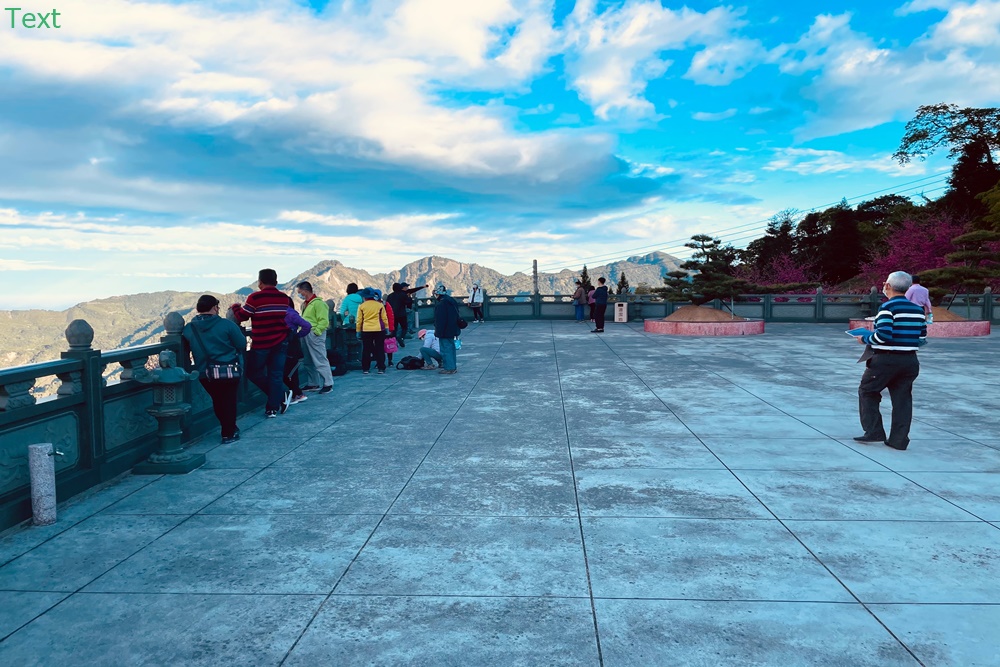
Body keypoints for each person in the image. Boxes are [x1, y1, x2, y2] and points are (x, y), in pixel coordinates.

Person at [853, 271, 927, 451]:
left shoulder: (887, 308)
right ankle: (899, 440)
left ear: (887, 286)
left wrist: (866, 338)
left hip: (886, 360)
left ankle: (874, 431)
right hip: (910, 360)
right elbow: (922, 336)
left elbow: (883, 336)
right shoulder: (917, 310)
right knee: (902, 400)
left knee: (868, 391)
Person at [231, 269, 294, 418]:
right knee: (276, 375)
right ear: (276, 282)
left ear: (260, 282)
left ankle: (279, 397)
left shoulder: (255, 298)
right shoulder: (284, 298)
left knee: (253, 372)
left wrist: (235, 307)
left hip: (261, 343)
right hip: (281, 341)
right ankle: (273, 407)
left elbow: (241, 316)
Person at [183, 295, 246, 444]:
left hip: (206, 372)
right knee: (229, 400)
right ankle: (228, 433)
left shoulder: (189, 328)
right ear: (214, 308)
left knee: (218, 400)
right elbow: (242, 344)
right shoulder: (227, 325)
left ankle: (229, 428)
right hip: (229, 369)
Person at [296, 281, 334, 394]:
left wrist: (316, 332)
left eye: (299, 291)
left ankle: (328, 383)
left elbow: (324, 320)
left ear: (305, 290)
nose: (299, 294)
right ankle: (313, 383)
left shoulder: (319, 304)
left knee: (319, 358)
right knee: (308, 360)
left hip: (314, 333)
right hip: (305, 333)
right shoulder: (305, 304)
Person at [281, 306, 312, 412]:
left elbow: (307, 326)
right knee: (292, 371)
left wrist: (297, 335)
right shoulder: (291, 313)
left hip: (289, 346)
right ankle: (297, 394)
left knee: (285, 372)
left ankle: (296, 393)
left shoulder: (289, 314)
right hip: (292, 345)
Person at [356, 287, 389, 375]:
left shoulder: (362, 306)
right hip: (379, 329)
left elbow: (359, 320)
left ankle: (366, 368)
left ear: (364, 297)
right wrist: (387, 328)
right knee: (380, 348)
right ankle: (381, 368)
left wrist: (358, 331)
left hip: (366, 329)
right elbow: (384, 318)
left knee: (366, 349)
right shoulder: (379, 305)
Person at [432, 283, 461, 374]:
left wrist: (438, 332)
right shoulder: (451, 301)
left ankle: (449, 368)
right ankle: (452, 366)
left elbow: (440, 320)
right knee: (451, 348)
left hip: (445, 330)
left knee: (445, 349)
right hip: (453, 329)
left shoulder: (441, 304)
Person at [375, 289, 397, 366]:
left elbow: (390, 317)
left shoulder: (385, 304)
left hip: (380, 328)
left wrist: (390, 328)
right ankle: (383, 361)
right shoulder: (384, 304)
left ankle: (385, 361)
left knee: (384, 345)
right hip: (380, 328)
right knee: (383, 345)